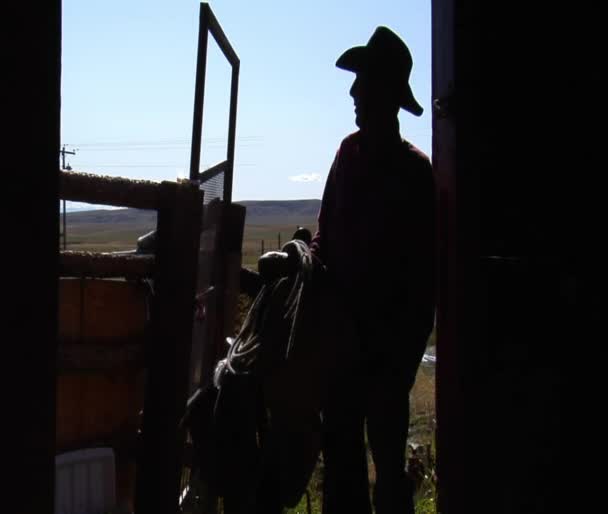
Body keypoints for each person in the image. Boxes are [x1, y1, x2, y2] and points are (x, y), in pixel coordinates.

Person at [310, 26, 436, 514]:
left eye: (363, 82)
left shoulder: (413, 173)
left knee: (386, 464)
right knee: (341, 457)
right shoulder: (348, 154)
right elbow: (326, 233)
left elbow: (423, 279)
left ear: (386, 93)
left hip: (387, 351)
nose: (353, 93)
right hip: (344, 344)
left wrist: (402, 361)